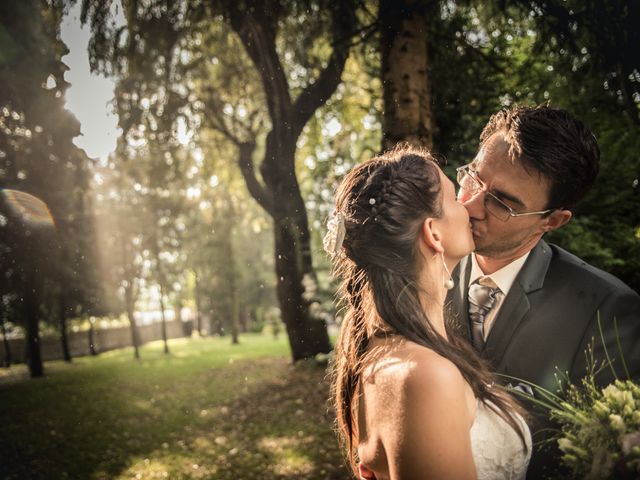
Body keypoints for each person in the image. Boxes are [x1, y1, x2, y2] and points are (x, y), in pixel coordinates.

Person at [448, 105, 640, 478]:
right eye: (472, 176)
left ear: (553, 221)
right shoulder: (418, 271)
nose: (470, 205)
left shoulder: (606, 310)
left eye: (501, 202)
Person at [327, 146, 531, 480]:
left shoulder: (379, 351)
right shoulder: (425, 374)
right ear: (434, 233)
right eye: (454, 198)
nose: (468, 207)